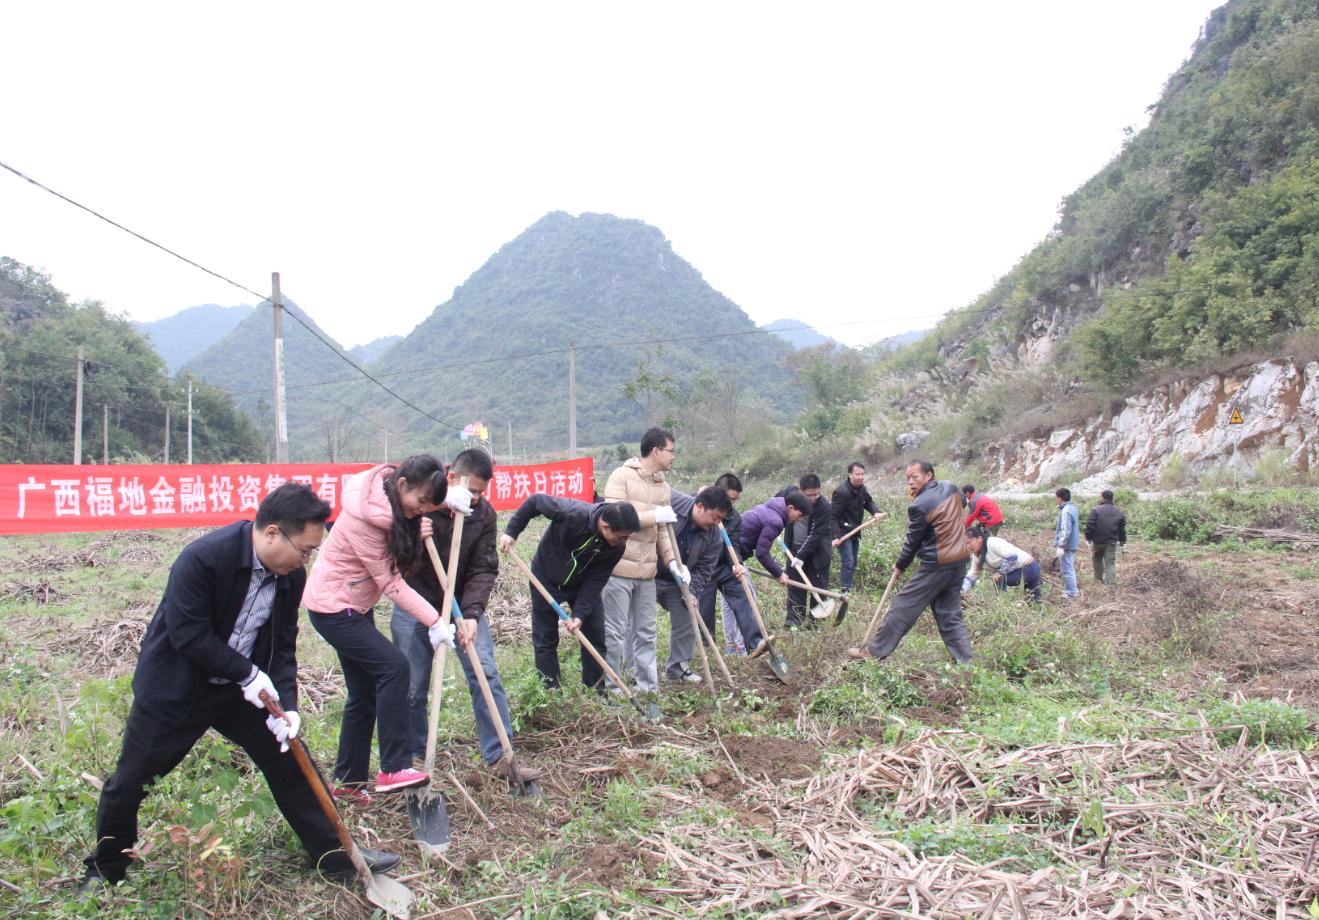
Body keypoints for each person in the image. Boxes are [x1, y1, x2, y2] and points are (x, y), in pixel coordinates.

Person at [78, 485, 402, 895]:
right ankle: (106, 871)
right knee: (130, 781)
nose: (306, 559)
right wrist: (248, 674)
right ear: (271, 533)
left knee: (291, 760)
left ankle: (336, 855)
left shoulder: (289, 577)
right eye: (304, 550)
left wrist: (288, 706)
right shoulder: (205, 558)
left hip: (239, 693)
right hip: (178, 688)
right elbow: (188, 635)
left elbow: (283, 647)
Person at [303, 455, 463, 798]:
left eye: (428, 506)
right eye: (420, 503)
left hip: (354, 603)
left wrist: (448, 499)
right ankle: (393, 767)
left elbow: (419, 498)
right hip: (333, 607)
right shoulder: (367, 520)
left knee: (363, 696)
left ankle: (347, 782)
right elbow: (391, 584)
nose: (420, 510)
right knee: (394, 667)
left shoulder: (394, 495)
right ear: (402, 486)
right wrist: (435, 620)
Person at [389, 450, 537, 788]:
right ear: (451, 478)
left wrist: (471, 615)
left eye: (482, 493)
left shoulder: (481, 514)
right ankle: (413, 759)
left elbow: (483, 567)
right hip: (414, 603)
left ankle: (501, 755)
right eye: (472, 491)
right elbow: (392, 554)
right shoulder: (418, 502)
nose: (476, 499)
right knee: (412, 684)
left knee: (484, 671)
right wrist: (417, 527)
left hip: (459, 605)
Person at [500, 496, 639, 690]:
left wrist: (580, 614)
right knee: (545, 639)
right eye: (622, 536)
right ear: (605, 526)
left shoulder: (616, 548)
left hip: (581, 586)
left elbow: (595, 581)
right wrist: (511, 532)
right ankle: (550, 690)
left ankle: (595, 692)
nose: (624, 541)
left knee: (595, 637)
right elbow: (534, 502)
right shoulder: (572, 513)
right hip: (546, 579)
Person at [847, 460, 974, 664]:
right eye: (908, 478)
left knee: (902, 606)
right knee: (949, 614)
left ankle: (873, 652)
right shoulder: (951, 487)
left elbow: (912, 542)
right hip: (959, 561)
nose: (911, 482)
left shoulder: (919, 505)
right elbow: (964, 503)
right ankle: (967, 661)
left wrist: (900, 565)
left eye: (915, 477)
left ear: (929, 475)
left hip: (937, 565)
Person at [601, 427, 678, 695]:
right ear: (656, 450)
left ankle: (648, 687)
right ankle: (613, 687)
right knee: (615, 633)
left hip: (647, 573)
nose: (673, 457)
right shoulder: (620, 477)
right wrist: (654, 514)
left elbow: (663, 533)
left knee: (646, 632)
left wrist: (671, 561)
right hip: (619, 569)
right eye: (671, 451)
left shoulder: (664, 487)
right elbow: (614, 516)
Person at [657, 486, 733, 683]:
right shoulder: (672, 501)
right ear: (700, 506)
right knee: (641, 623)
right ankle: (634, 671)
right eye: (714, 517)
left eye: (720, 519)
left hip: (679, 582)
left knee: (688, 614)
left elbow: (705, 568)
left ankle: (677, 668)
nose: (716, 523)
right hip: (649, 573)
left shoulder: (713, 534)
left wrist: (691, 591)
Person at [697, 473, 763, 658]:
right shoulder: (700, 508)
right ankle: (707, 651)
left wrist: (737, 564)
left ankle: (755, 642)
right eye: (730, 499)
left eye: (735, 500)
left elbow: (732, 545)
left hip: (724, 567)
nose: (732, 504)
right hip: (703, 569)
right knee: (704, 610)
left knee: (743, 594)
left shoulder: (734, 518)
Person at [779, 475, 833, 629]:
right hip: (793, 550)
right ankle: (794, 623)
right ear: (800, 490)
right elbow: (774, 503)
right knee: (795, 587)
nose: (813, 498)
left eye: (816, 494)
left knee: (818, 587)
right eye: (809, 495)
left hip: (817, 553)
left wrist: (801, 556)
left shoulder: (824, 506)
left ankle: (815, 624)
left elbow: (816, 534)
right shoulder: (789, 494)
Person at [737, 490, 812, 583]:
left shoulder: (768, 508)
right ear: (790, 508)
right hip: (732, 552)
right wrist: (779, 574)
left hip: (731, 547)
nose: (799, 519)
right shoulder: (775, 522)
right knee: (743, 594)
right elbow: (762, 553)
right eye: (799, 515)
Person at [831, 461, 881, 593]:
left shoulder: (861, 488)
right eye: (857, 474)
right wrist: (836, 536)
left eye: (862, 474)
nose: (860, 477)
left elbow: (868, 502)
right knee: (848, 562)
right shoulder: (842, 492)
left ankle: (848, 587)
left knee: (853, 563)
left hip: (855, 531)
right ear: (850, 475)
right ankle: (845, 591)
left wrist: (875, 511)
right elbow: (833, 516)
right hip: (843, 532)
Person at [965, 526, 1041, 602]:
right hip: (1020, 570)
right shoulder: (977, 556)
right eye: (965, 544)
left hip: (1029, 568)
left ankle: (1003, 603)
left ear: (979, 539)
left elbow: (1012, 557)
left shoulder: (992, 543)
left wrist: (1000, 572)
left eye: (969, 542)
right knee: (1033, 602)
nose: (968, 546)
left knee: (998, 578)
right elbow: (972, 575)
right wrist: (961, 590)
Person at [1084, 489, 1127, 586]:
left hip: (1098, 541)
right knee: (1110, 563)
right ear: (1112, 498)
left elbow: (1090, 526)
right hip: (1111, 542)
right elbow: (1122, 530)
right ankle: (1110, 585)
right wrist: (1123, 542)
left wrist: (1088, 538)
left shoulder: (1096, 510)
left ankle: (1098, 581)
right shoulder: (1119, 512)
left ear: (1102, 497)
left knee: (1097, 558)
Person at [1054, 487, 1081, 599]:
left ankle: (1071, 593)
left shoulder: (1066, 511)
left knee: (1067, 569)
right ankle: (1070, 590)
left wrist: (1061, 545)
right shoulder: (1073, 508)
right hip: (1072, 543)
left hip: (1067, 545)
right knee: (1069, 567)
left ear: (1060, 498)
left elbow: (1066, 530)